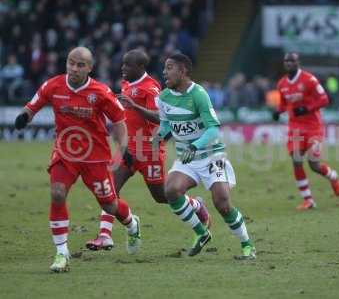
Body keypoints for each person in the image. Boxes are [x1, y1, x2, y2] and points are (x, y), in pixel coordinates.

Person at [14, 47, 141, 273]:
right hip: (66, 153)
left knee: (109, 204)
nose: (74, 68)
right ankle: (62, 253)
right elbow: (33, 105)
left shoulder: (100, 92)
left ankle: (132, 223)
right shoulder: (53, 85)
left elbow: (119, 120)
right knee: (57, 193)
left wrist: (123, 148)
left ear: (89, 68)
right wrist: (24, 117)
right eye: (71, 63)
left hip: (96, 156)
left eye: (80, 65)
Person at [85, 49, 210, 251]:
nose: (123, 68)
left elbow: (161, 118)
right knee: (108, 191)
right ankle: (110, 234)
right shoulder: (126, 84)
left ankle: (195, 205)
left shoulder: (150, 87)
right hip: (129, 149)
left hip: (149, 150)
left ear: (140, 67)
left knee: (161, 196)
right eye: (123, 64)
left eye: (128, 65)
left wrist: (135, 106)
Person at [154, 53, 256, 259]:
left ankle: (247, 245)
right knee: (171, 191)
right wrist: (159, 137)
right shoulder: (163, 97)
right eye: (164, 68)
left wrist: (195, 145)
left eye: (170, 67)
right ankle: (201, 233)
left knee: (222, 203)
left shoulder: (199, 94)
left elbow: (213, 129)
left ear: (183, 71)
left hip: (211, 156)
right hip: (187, 158)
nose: (165, 72)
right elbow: (166, 124)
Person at [274, 52, 339, 210]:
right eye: (286, 61)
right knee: (297, 161)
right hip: (295, 129)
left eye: (292, 61)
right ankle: (308, 200)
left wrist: (307, 108)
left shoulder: (309, 80)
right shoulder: (282, 84)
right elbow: (284, 104)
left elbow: (324, 99)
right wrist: (278, 112)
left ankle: (333, 176)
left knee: (314, 164)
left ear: (298, 62)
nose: (289, 63)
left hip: (313, 128)